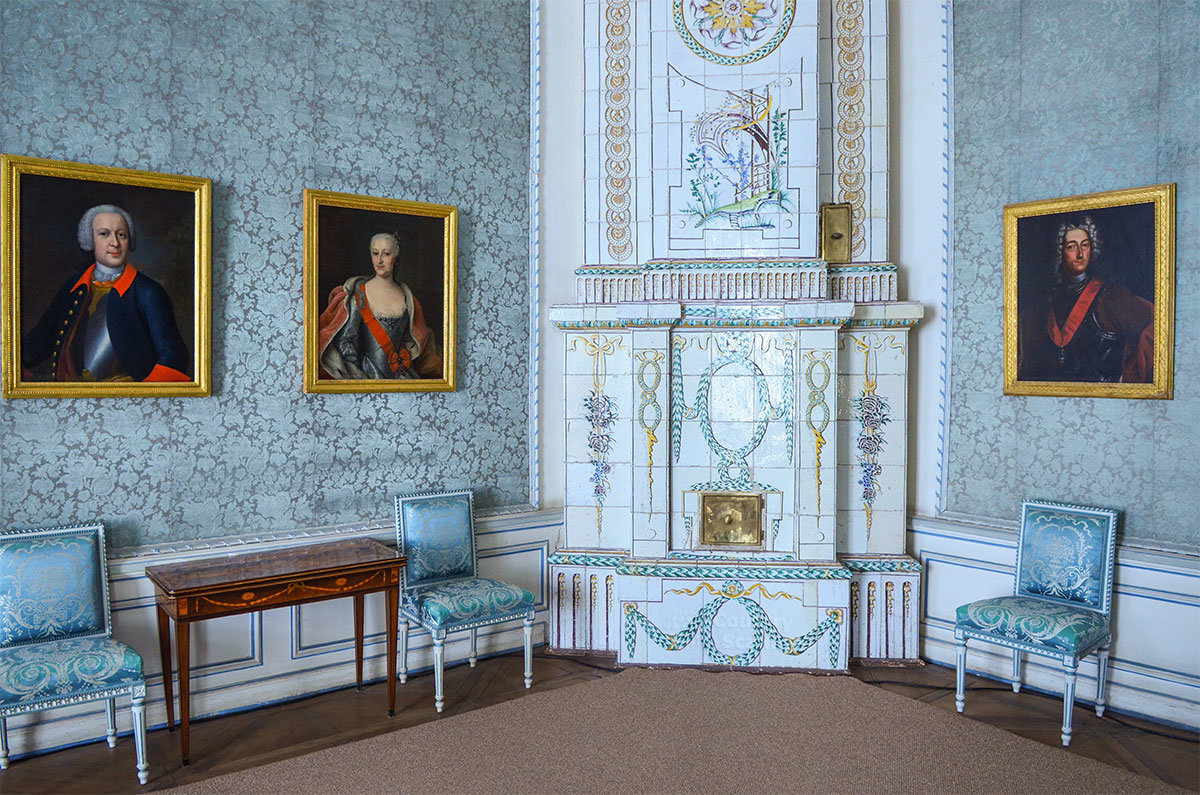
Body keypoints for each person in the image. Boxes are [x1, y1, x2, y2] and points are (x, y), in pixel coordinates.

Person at [21, 204, 191, 382]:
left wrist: (142, 391)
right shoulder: (73, 287)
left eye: (121, 235)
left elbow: (174, 355)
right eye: (104, 234)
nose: (115, 243)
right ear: (90, 240)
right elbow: (39, 341)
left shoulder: (148, 292)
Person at [1018, 215, 1154, 383]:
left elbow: (1155, 322)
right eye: (1071, 247)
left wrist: (1131, 376)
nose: (1080, 254)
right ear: (1060, 252)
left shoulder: (1110, 297)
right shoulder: (1049, 299)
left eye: (1085, 245)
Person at [317, 232, 441, 379]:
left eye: (386, 254)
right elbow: (347, 342)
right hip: (368, 376)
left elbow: (410, 339)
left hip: (402, 377)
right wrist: (358, 375)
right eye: (375, 253)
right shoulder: (359, 297)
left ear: (396, 257)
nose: (380, 260)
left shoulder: (408, 299)